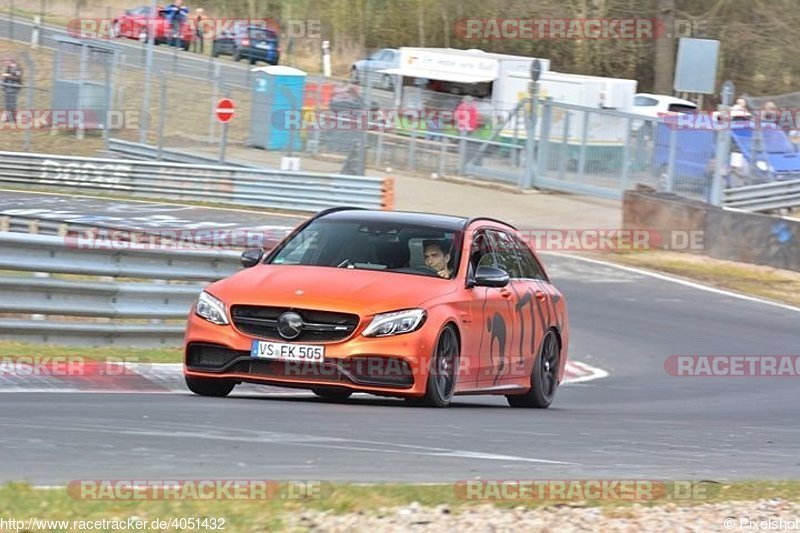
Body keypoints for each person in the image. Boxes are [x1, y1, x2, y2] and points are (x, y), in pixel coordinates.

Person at [2, 59, 23, 123]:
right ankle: (8, 118)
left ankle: (13, 118)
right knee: (7, 104)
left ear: (10, 61)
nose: (5, 63)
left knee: (12, 104)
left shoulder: (18, 68)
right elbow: (6, 77)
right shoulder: (9, 68)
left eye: (6, 62)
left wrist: (8, 76)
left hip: (13, 88)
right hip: (7, 88)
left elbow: (18, 78)